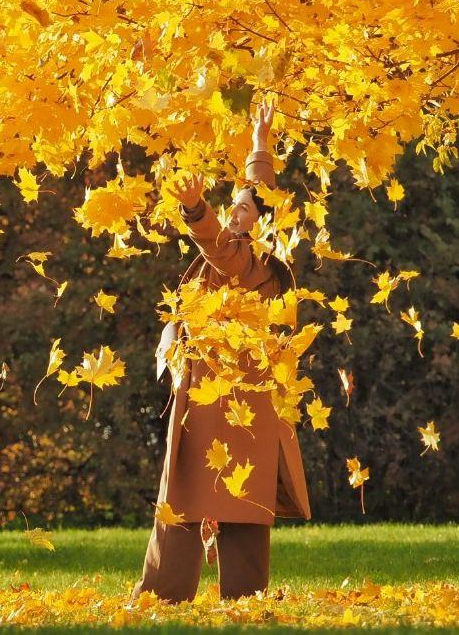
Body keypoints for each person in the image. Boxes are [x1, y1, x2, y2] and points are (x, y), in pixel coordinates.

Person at [133, 101, 311, 603]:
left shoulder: (243, 261)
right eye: (230, 207)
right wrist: (260, 145)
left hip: (223, 400)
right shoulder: (254, 262)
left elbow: (215, 240)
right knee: (239, 500)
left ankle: (167, 593)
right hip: (233, 396)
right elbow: (260, 195)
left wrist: (195, 208)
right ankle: (241, 595)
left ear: (259, 226)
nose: (234, 214)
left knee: (188, 493)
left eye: (243, 211)